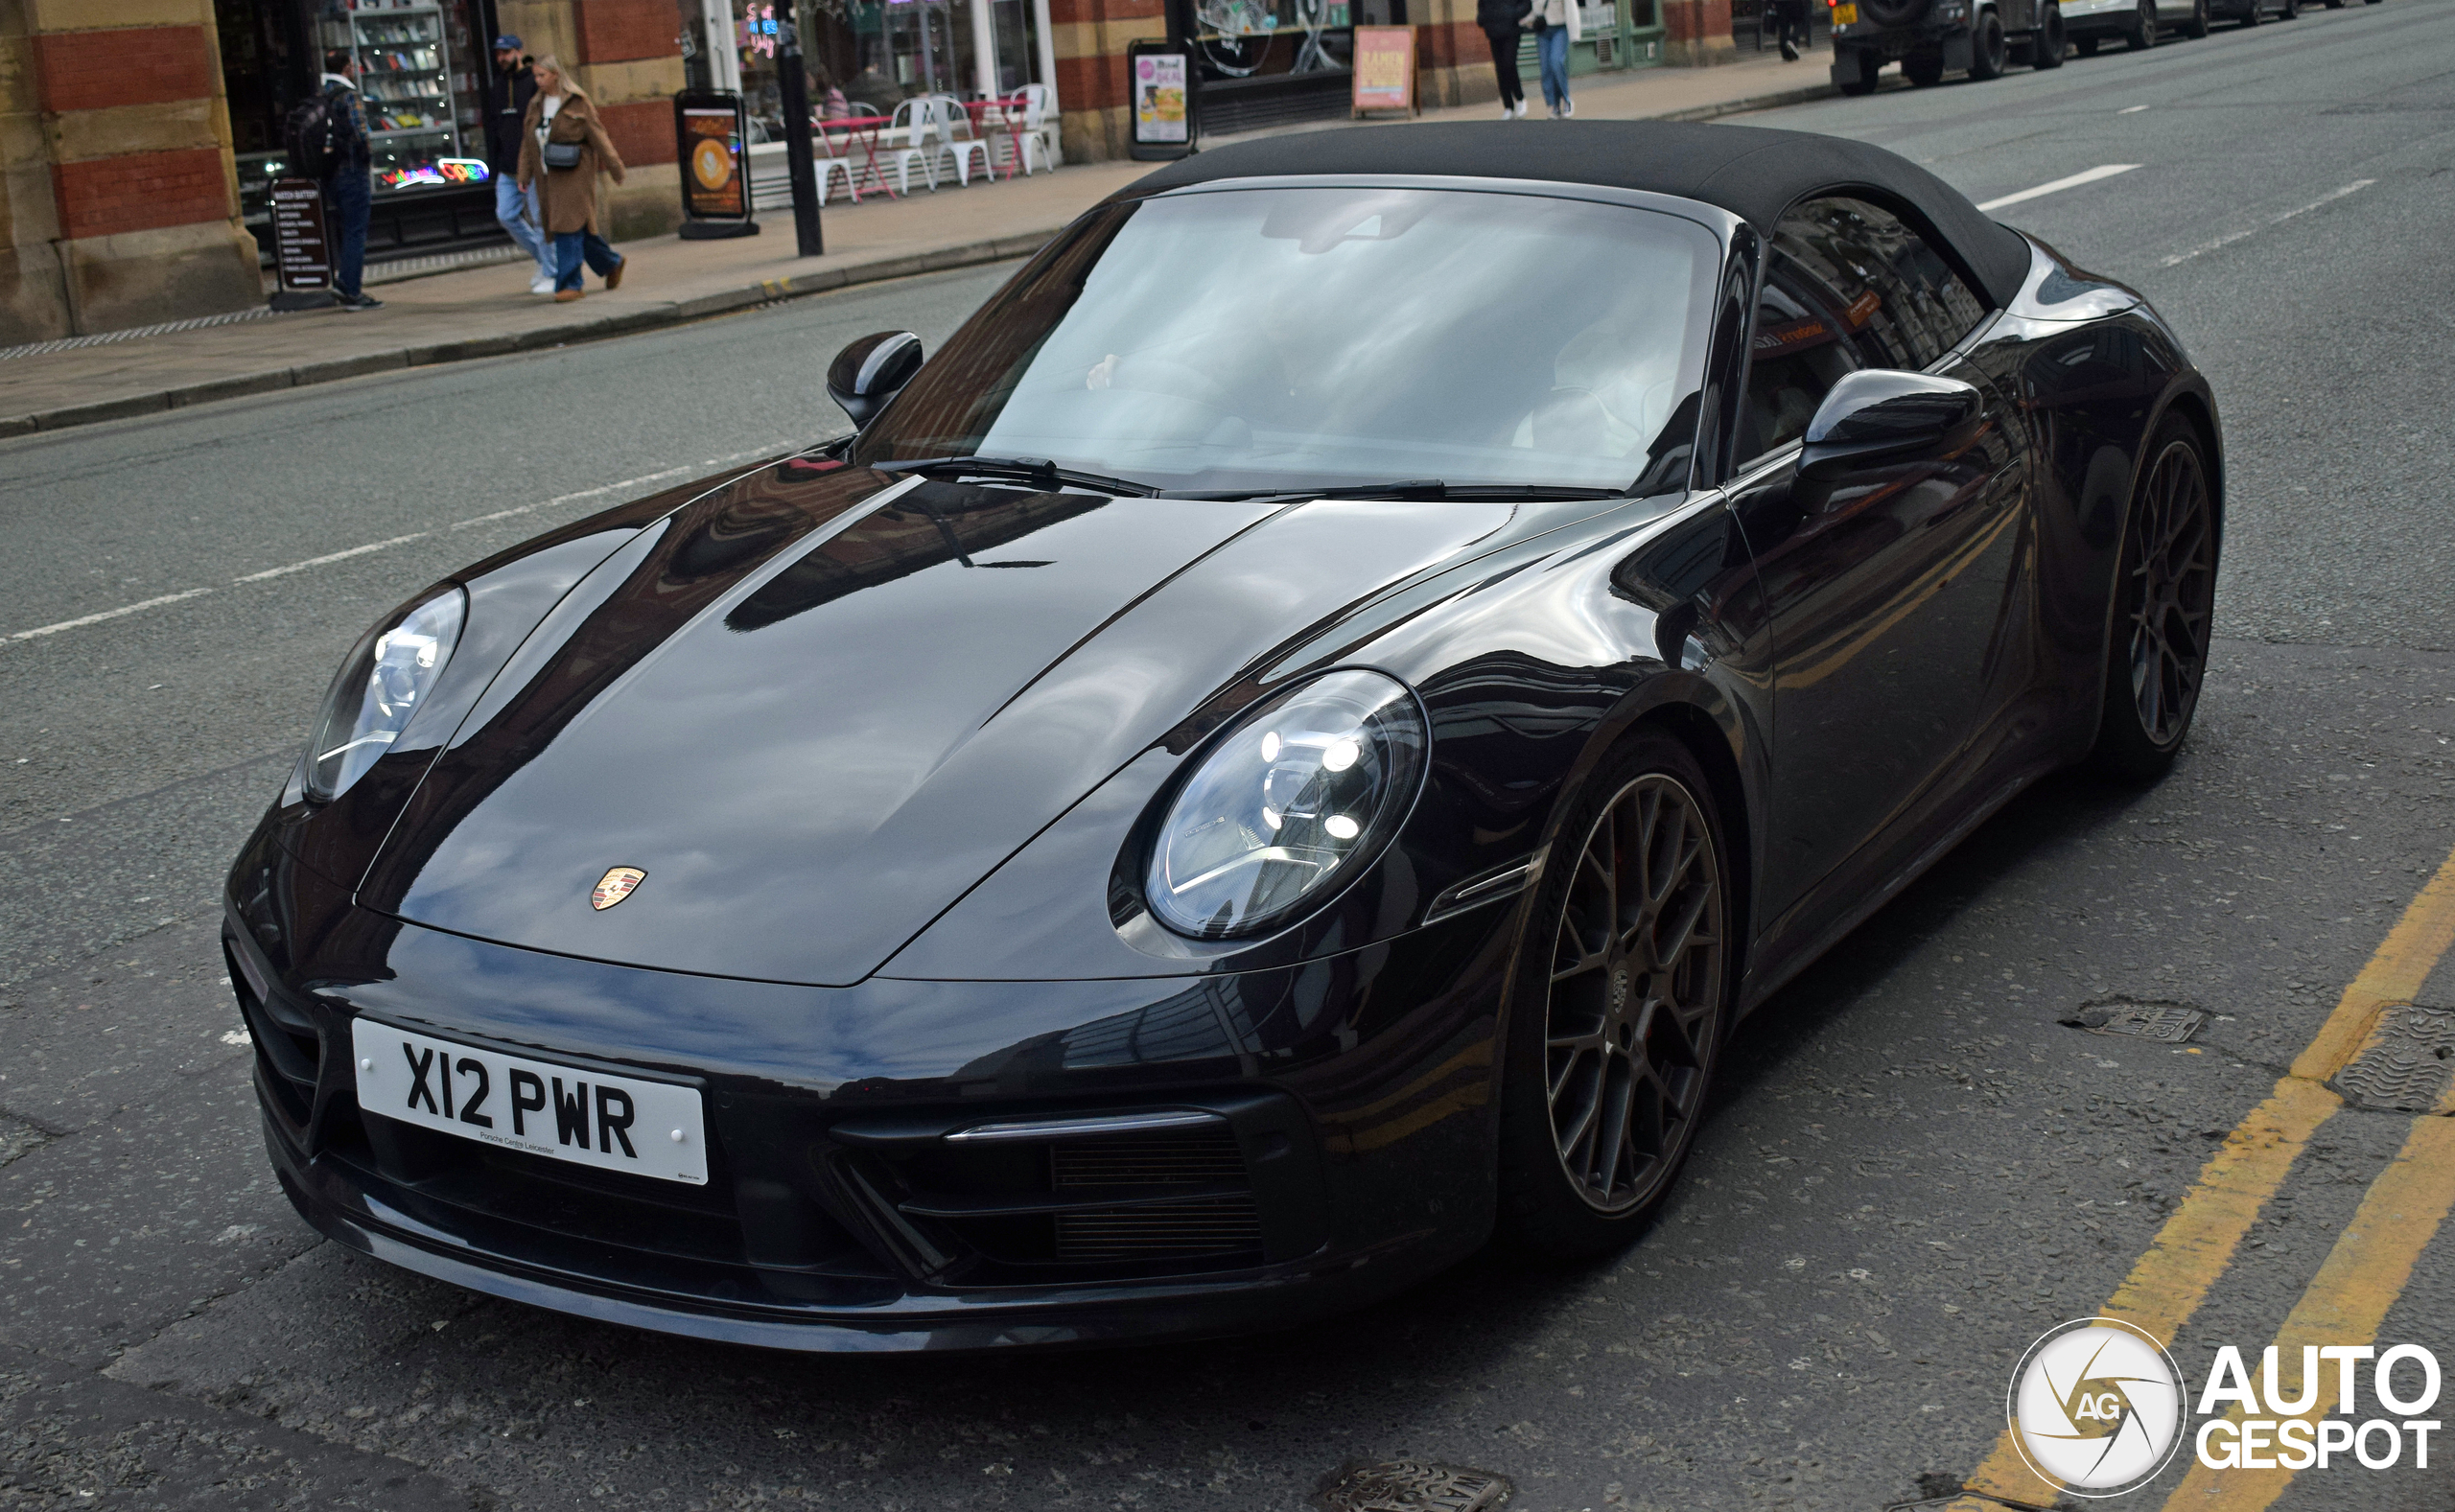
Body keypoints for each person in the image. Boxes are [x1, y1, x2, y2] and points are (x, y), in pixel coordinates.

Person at [516, 56, 628, 304]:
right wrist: (523, 174)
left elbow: (599, 137)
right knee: (576, 228)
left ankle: (570, 283)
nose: (537, 81)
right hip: (546, 177)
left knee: (566, 226)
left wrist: (615, 168)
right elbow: (528, 143)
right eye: (535, 76)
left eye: (541, 76)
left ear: (556, 74)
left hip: (574, 173)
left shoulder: (578, 102)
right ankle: (611, 262)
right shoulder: (536, 104)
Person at [485, 35, 555, 294]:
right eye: (498, 53)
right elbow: (495, 125)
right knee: (505, 215)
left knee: (540, 218)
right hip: (507, 166)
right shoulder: (498, 86)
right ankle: (544, 260)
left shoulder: (532, 82)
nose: (502, 57)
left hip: (533, 163)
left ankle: (551, 271)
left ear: (518, 52)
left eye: (506, 52)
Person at [317, 51, 381, 310]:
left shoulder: (322, 94)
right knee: (356, 231)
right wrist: (368, 158)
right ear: (346, 68)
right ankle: (351, 290)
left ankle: (344, 282)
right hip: (353, 171)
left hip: (331, 173)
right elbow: (360, 130)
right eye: (352, 65)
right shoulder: (349, 95)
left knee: (345, 229)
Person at [1478, 0, 1531, 118]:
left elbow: (1526, 4)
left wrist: (1512, 14)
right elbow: (1482, 5)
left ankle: (1520, 98)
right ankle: (1508, 106)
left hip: (1511, 30)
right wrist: (1482, 18)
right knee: (1500, 68)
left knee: (1509, 64)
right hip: (1494, 30)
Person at [1527, 0, 1581, 117]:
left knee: (1556, 61)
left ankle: (1566, 100)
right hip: (1542, 30)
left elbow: (1571, 9)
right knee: (1546, 68)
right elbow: (1534, 8)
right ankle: (1553, 104)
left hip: (1559, 28)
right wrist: (1525, 20)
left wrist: (1575, 35)